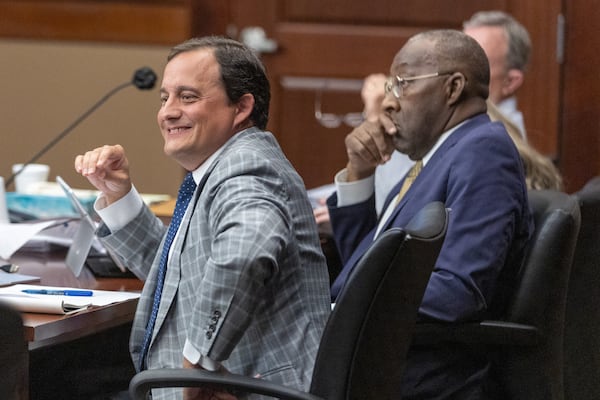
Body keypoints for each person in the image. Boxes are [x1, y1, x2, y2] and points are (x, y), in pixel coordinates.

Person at [74, 36, 331, 400]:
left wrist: (198, 365)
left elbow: (244, 255)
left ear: (241, 108)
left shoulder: (248, 168)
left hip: (246, 389)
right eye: (165, 98)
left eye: (188, 97)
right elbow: (181, 275)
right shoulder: (222, 167)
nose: (168, 112)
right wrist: (118, 196)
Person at [327, 30, 534, 398]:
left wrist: (341, 310)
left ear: (453, 88)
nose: (388, 103)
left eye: (402, 84)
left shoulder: (482, 152)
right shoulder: (438, 156)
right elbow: (363, 263)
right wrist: (359, 175)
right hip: (374, 363)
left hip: (417, 378)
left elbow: (459, 290)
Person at [463, 10, 532, 137]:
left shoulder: (499, 141)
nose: (458, 71)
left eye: (475, 61)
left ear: (510, 82)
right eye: (458, 57)